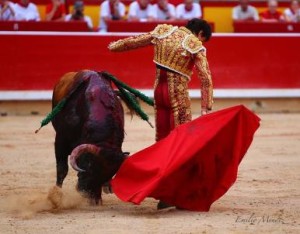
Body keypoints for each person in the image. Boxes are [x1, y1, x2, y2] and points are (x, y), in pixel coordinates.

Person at [109, 19, 213, 209]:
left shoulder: (163, 31)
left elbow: (133, 41)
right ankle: (175, 194)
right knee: (182, 145)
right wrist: (206, 107)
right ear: (200, 34)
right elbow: (205, 78)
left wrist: (114, 46)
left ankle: (164, 193)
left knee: (162, 143)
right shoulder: (194, 44)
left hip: (159, 95)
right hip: (177, 97)